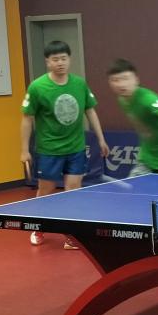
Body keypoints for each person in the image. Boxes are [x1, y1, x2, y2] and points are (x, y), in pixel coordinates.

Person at [20, 40, 108, 248]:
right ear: (47, 62)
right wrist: (24, 150)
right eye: (55, 59)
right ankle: (39, 227)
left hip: (76, 148)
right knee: (46, 189)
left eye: (63, 58)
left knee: (73, 190)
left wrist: (101, 138)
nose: (60, 63)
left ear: (69, 60)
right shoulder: (37, 87)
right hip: (49, 149)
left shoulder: (79, 84)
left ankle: (71, 235)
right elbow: (26, 118)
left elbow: (90, 111)